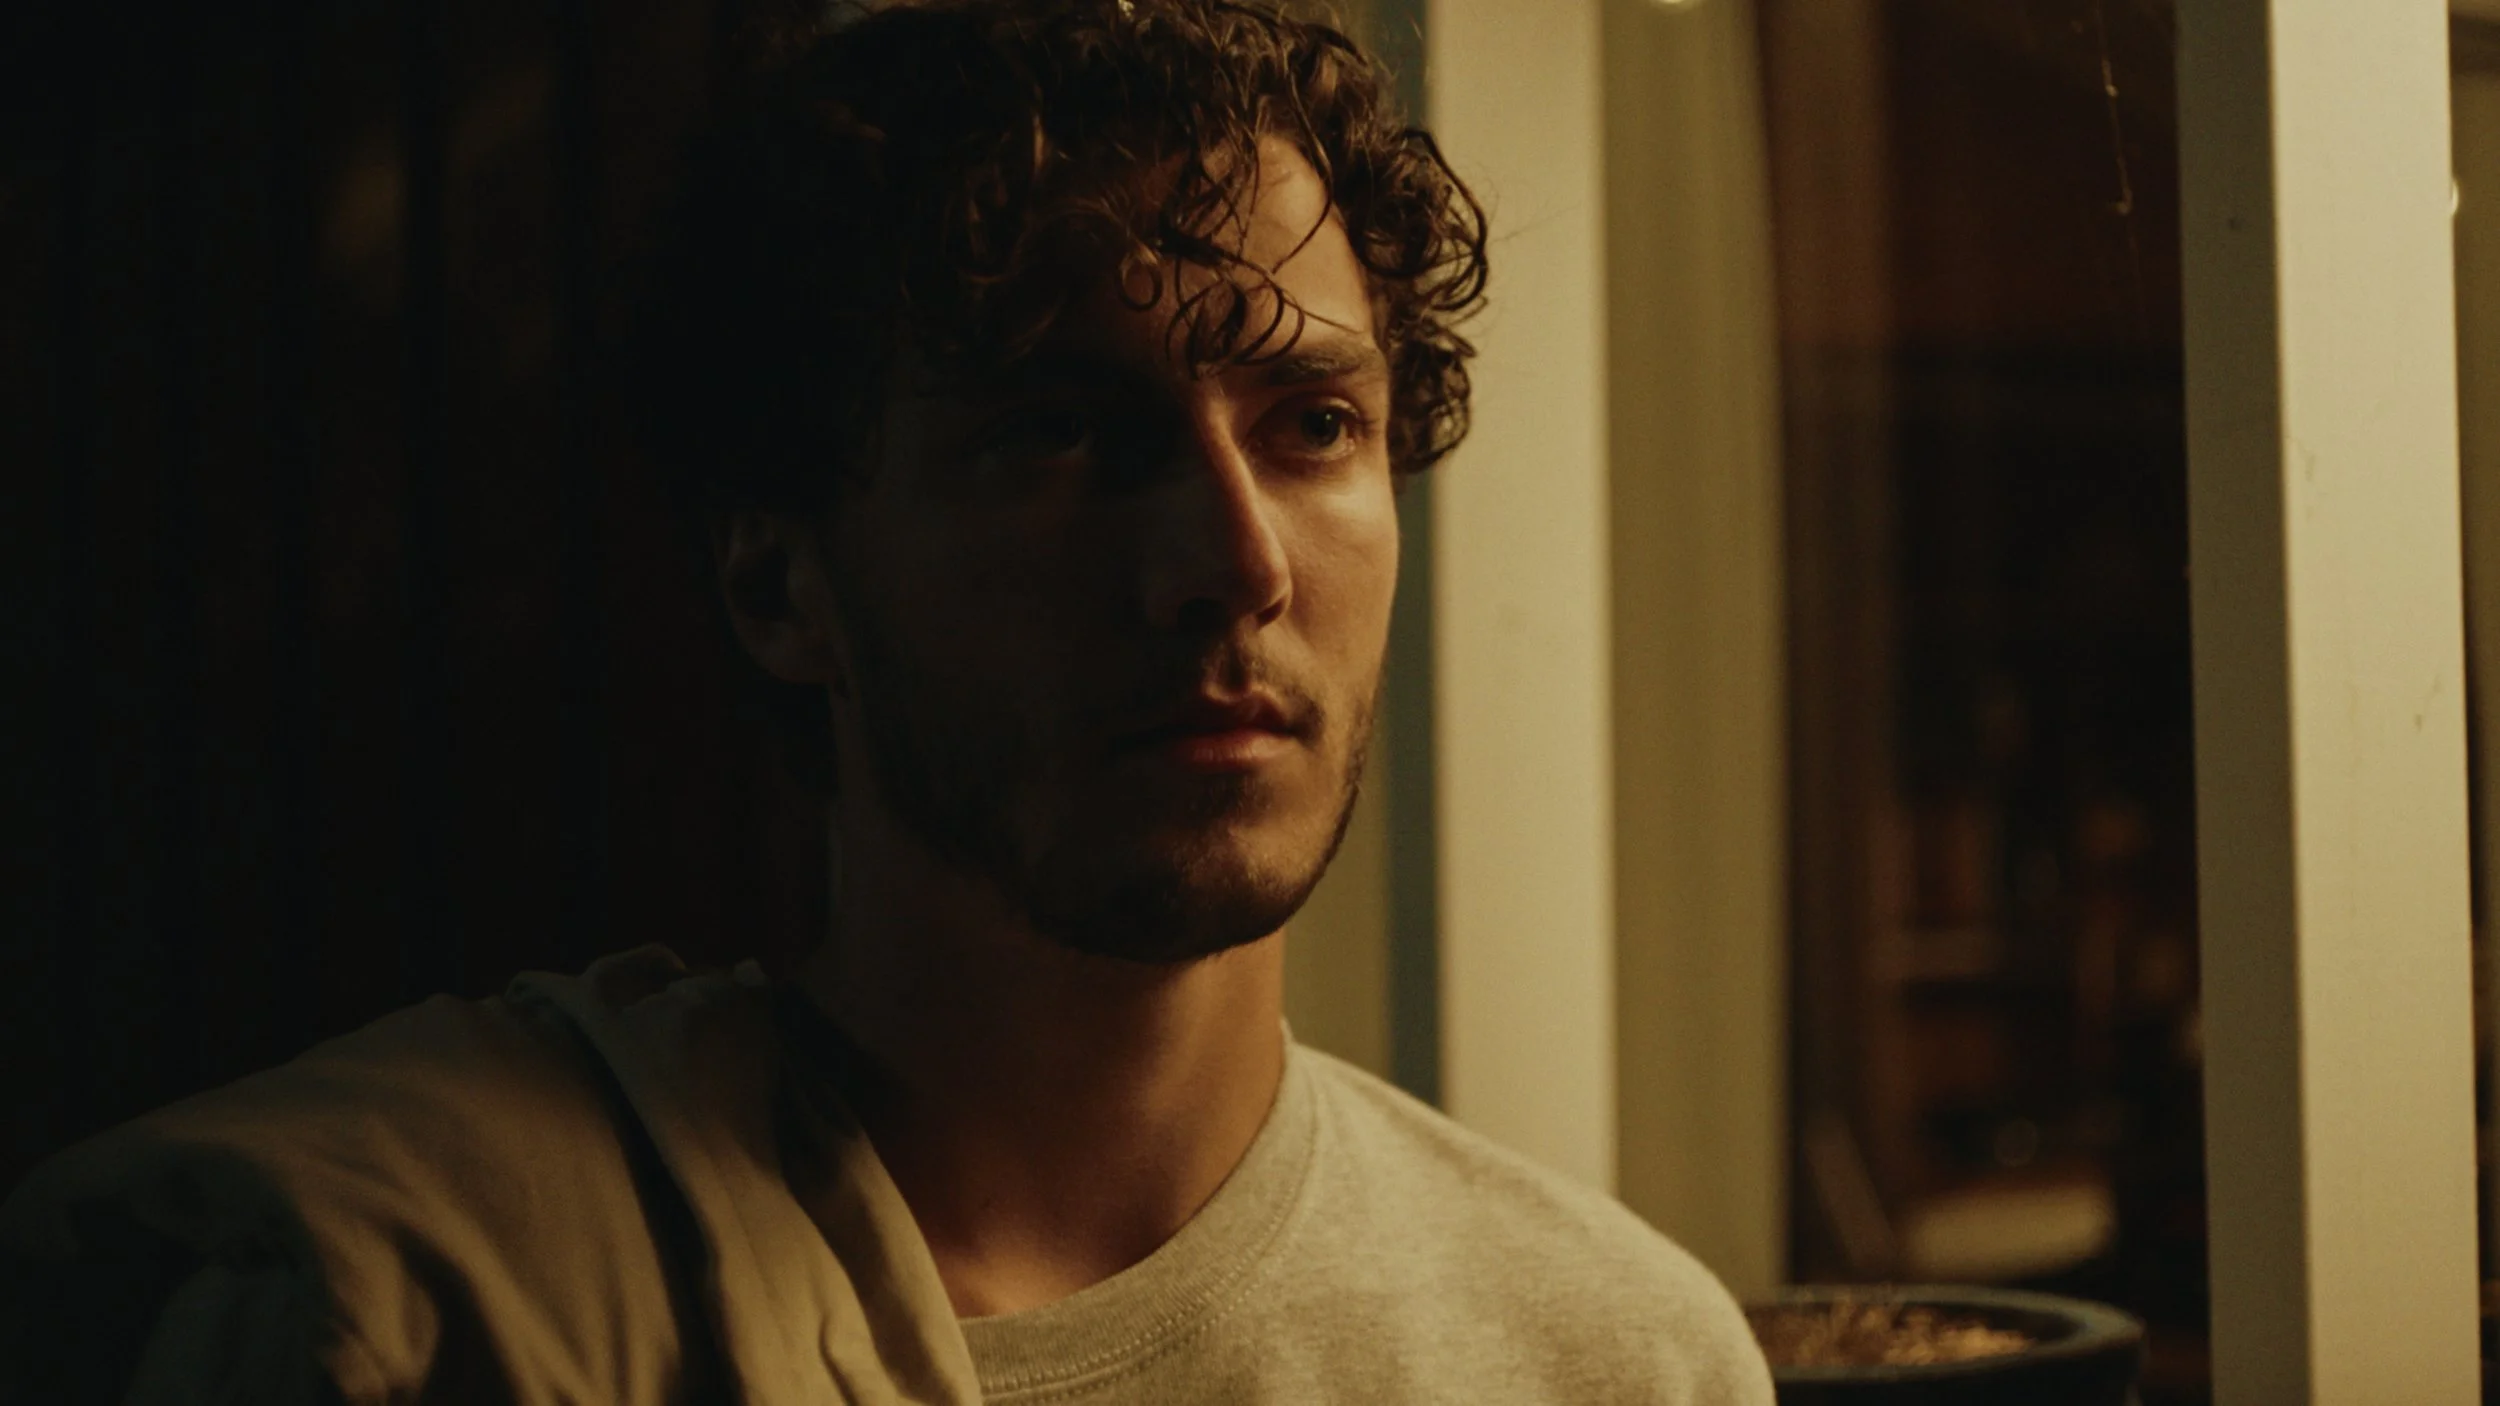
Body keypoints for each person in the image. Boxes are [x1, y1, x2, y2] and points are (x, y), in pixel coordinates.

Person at [0, 2, 1776, 1401]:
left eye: (1312, 427)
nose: (1234, 563)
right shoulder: (430, 1307)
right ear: (785, 587)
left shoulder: (1613, 1358)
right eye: (1063, 431)